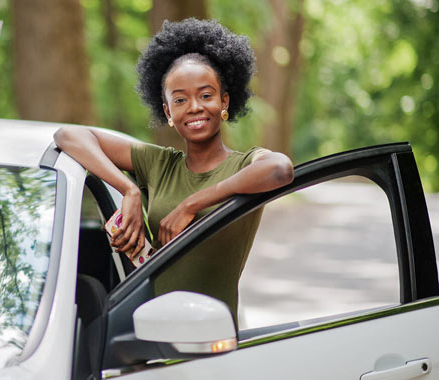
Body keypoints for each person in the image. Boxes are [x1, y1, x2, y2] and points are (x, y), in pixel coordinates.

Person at [54, 18, 294, 320]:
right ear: (168, 111)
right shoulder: (159, 164)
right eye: (180, 100)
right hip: (146, 336)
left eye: (206, 95)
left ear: (224, 100)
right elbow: (69, 136)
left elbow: (281, 170)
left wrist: (192, 204)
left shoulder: (244, 165)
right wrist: (127, 189)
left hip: (213, 341)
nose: (194, 107)